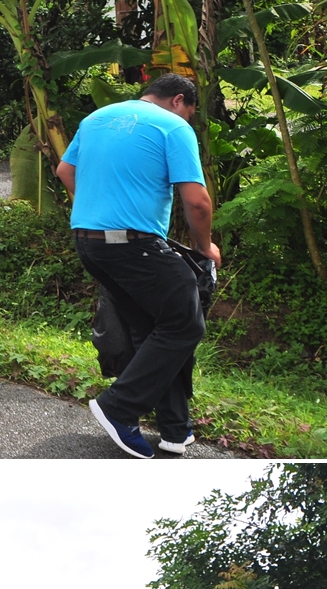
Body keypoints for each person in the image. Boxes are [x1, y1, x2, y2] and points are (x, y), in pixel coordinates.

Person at [55, 71, 219, 459]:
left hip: (88, 243)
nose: (187, 121)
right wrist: (205, 247)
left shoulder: (97, 118)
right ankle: (118, 407)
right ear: (179, 100)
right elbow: (197, 202)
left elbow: (65, 171)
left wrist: (97, 210)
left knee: (152, 328)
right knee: (185, 325)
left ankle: (175, 430)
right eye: (189, 113)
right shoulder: (172, 127)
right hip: (135, 245)